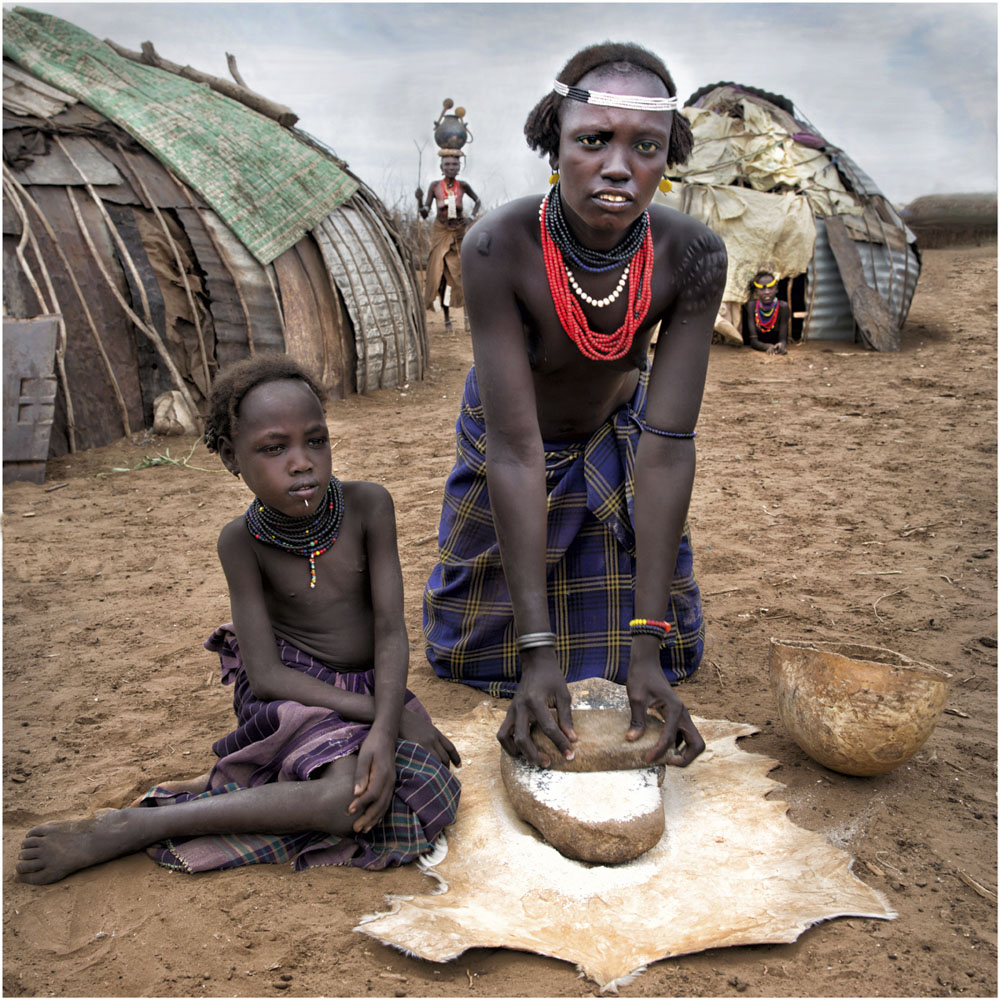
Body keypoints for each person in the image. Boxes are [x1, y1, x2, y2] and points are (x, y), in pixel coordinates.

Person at [17, 356, 460, 885]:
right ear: (231, 458)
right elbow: (269, 676)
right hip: (295, 693)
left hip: (369, 688)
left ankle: (262, 789)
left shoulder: (369, 506)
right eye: (275, 449)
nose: (302, 463)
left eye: (315, 441)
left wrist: (385, 728)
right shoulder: (241, 543)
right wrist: (386, 716)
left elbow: (391, 630)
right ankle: (138, 826)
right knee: (347, 798)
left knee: (414, 793)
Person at [422, 43, 727, 769]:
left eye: (645, 146)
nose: (618, 166)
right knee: (469, 650)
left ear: (667, 158)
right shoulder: (499, 246)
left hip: (615, 439)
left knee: (670, 647)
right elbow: (516, 450)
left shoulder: (692, 255)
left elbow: (667, 443)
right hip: (509, 436)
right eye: (594, 140)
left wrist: (647, 643)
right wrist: (534, 653)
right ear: (554, 145)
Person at [419, 153, 482, 331]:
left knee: (462, 276)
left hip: (459, 234)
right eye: (447, 164)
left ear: (459, 167)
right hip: (440, 233)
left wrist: (471, 217)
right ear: (441, 167)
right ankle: (447, 320)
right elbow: (424, 213)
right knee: (440, 277)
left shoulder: (462, 186)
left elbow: (477, 201)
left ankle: (468, 319)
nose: (451, 168)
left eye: (455, 164)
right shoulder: (434, 187)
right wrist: (419, 201)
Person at [742, 269, 789, 354]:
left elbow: (783, 339)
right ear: (756, 291)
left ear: (777, 289)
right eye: (762, 289)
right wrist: (767, 346)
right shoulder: (751, 306)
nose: (767, 292)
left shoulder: (783, 308)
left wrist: (781, 345)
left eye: (770, 288)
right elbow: (753, 341)